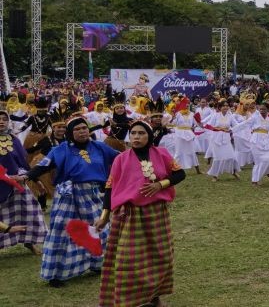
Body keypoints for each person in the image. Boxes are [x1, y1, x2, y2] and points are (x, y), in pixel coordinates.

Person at [18, 116, 119, 287]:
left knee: (98, 230)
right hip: (68, 196)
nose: (82, 131)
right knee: (61, 232)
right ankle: (55, 274)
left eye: (84, 128)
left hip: (94, 195)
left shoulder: (99, 147)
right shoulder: (60, 150)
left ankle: (98, 264)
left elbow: (122, 159)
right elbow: (43, 166)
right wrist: (27, 176)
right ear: (70, 133)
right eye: (77, 129)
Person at [96, 120, 185, 307]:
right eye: (133, 133)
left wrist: (160, 184)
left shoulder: (161, 154)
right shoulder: (121, 159)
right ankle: (129, 300)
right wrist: (104, 216)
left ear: (149, 136)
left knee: (161, 257)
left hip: (157, 214)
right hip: (130, 216)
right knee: (128, 260)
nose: (136, 137)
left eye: (141, 133)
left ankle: (154, 296)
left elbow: (180, 174)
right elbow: (109, 188)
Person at [0, 110, 46, 256]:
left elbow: (24, 164)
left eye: (4, 119)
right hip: (1, 186)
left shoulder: (14, 140)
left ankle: (29, 242)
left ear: (8, 122)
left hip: (18, 184)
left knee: (29, 211)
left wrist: (36, 180)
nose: (1, 122)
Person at [232, 104, 269, 186]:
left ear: (268, 110)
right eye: (260, 109)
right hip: (256, 141)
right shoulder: (255, 118)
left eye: (264, 109)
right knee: (258, 162)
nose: (261, 111)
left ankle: (268, 171)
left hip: (267, 142)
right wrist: (232, 130)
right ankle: (255, 181)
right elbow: (244, 124)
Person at [202, 101, 241, 181]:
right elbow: (209, 125)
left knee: (231, 156)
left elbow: (236, 125)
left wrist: (231, 129)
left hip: (226, 139)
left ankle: (233, 172)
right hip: (216, 139)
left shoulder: (230, 116)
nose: (226, 107)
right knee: (218, 157)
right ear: (220, 107)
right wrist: (217, 129)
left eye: (227, 106)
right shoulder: (215, 115)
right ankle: (215, 176)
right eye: (224, 106)